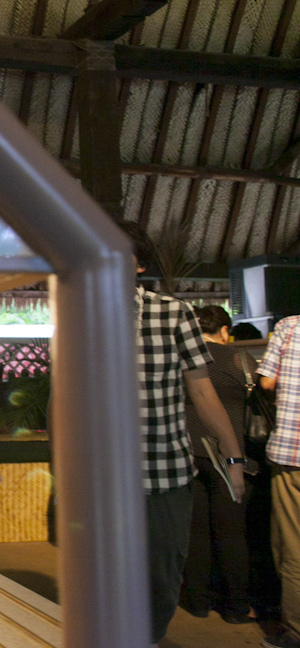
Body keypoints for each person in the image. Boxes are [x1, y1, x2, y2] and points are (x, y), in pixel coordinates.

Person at [122, 223, 246, 646]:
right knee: (104, 579)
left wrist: (233, 460)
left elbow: (203, 390)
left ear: (139, 265)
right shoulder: (75, 312)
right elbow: (63, 398)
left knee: (161, 578)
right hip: (102, 479)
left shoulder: (172, 313)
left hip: (165, 476)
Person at [180, 305, 255, 623]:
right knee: (232, 534)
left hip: (190, 454)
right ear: (225, 331)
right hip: (231, 457)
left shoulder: (184, 361)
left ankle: (198, 601)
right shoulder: (241, 360)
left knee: (196, 533)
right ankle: (236, 608)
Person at [256, 315, 300, 648]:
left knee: (292, 547)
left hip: (292, 455)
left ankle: (295, 633)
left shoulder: (290, 327)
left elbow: (267, 383)